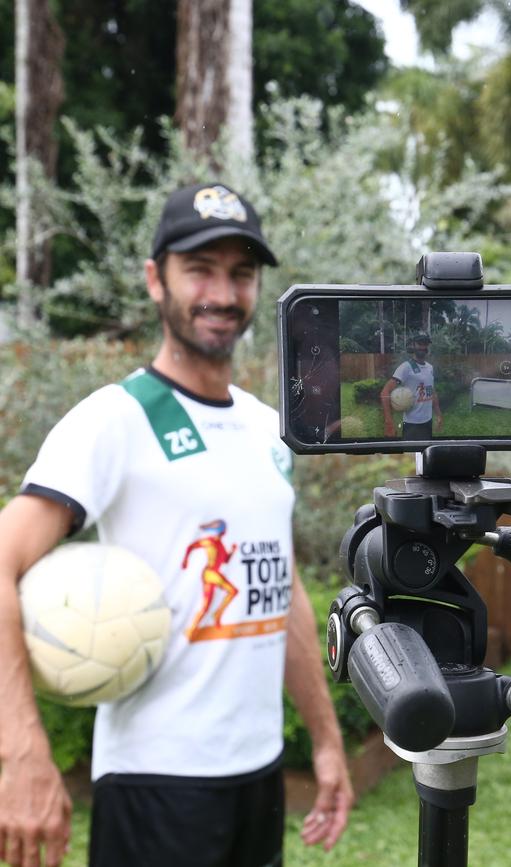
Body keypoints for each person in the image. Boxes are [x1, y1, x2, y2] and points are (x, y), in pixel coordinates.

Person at [0, 181, 353, 867]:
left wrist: (328, 739)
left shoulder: (267, 428)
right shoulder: (114, 420)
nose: (222, 293)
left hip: (258, 775)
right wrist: (21, 750)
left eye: (240, 273)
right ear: (156, 279)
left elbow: (279, 591)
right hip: (155, 782)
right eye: (200, 269)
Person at [380, 332, 443, 439]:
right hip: (411, 424)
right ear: (413, 345)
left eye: (425, 344)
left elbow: (432, 392)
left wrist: (438, 414)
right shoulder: (406, 367)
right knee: (410, 454)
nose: (423, 347)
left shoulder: (430, 368)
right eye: (420, 343)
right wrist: (389, 423)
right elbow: (385, 392)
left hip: (427, 421)